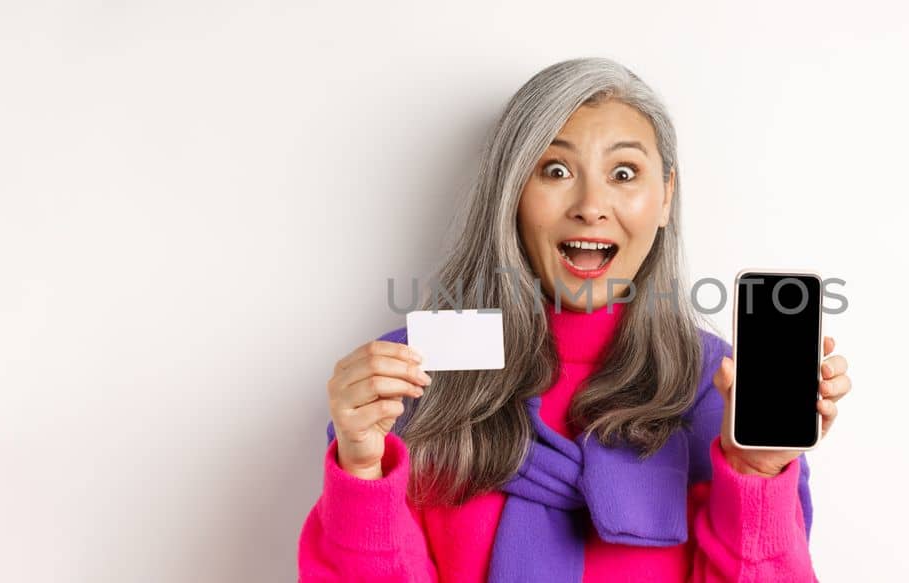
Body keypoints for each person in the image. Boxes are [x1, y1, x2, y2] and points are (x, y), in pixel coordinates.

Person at [297, 57, 855, 583]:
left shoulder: (719, 391)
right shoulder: (415, 371)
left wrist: (757, 474)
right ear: (512, 193)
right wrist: (362, 472)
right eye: (556, 169)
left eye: (624, 172)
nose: (591, 204)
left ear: (665, 197)